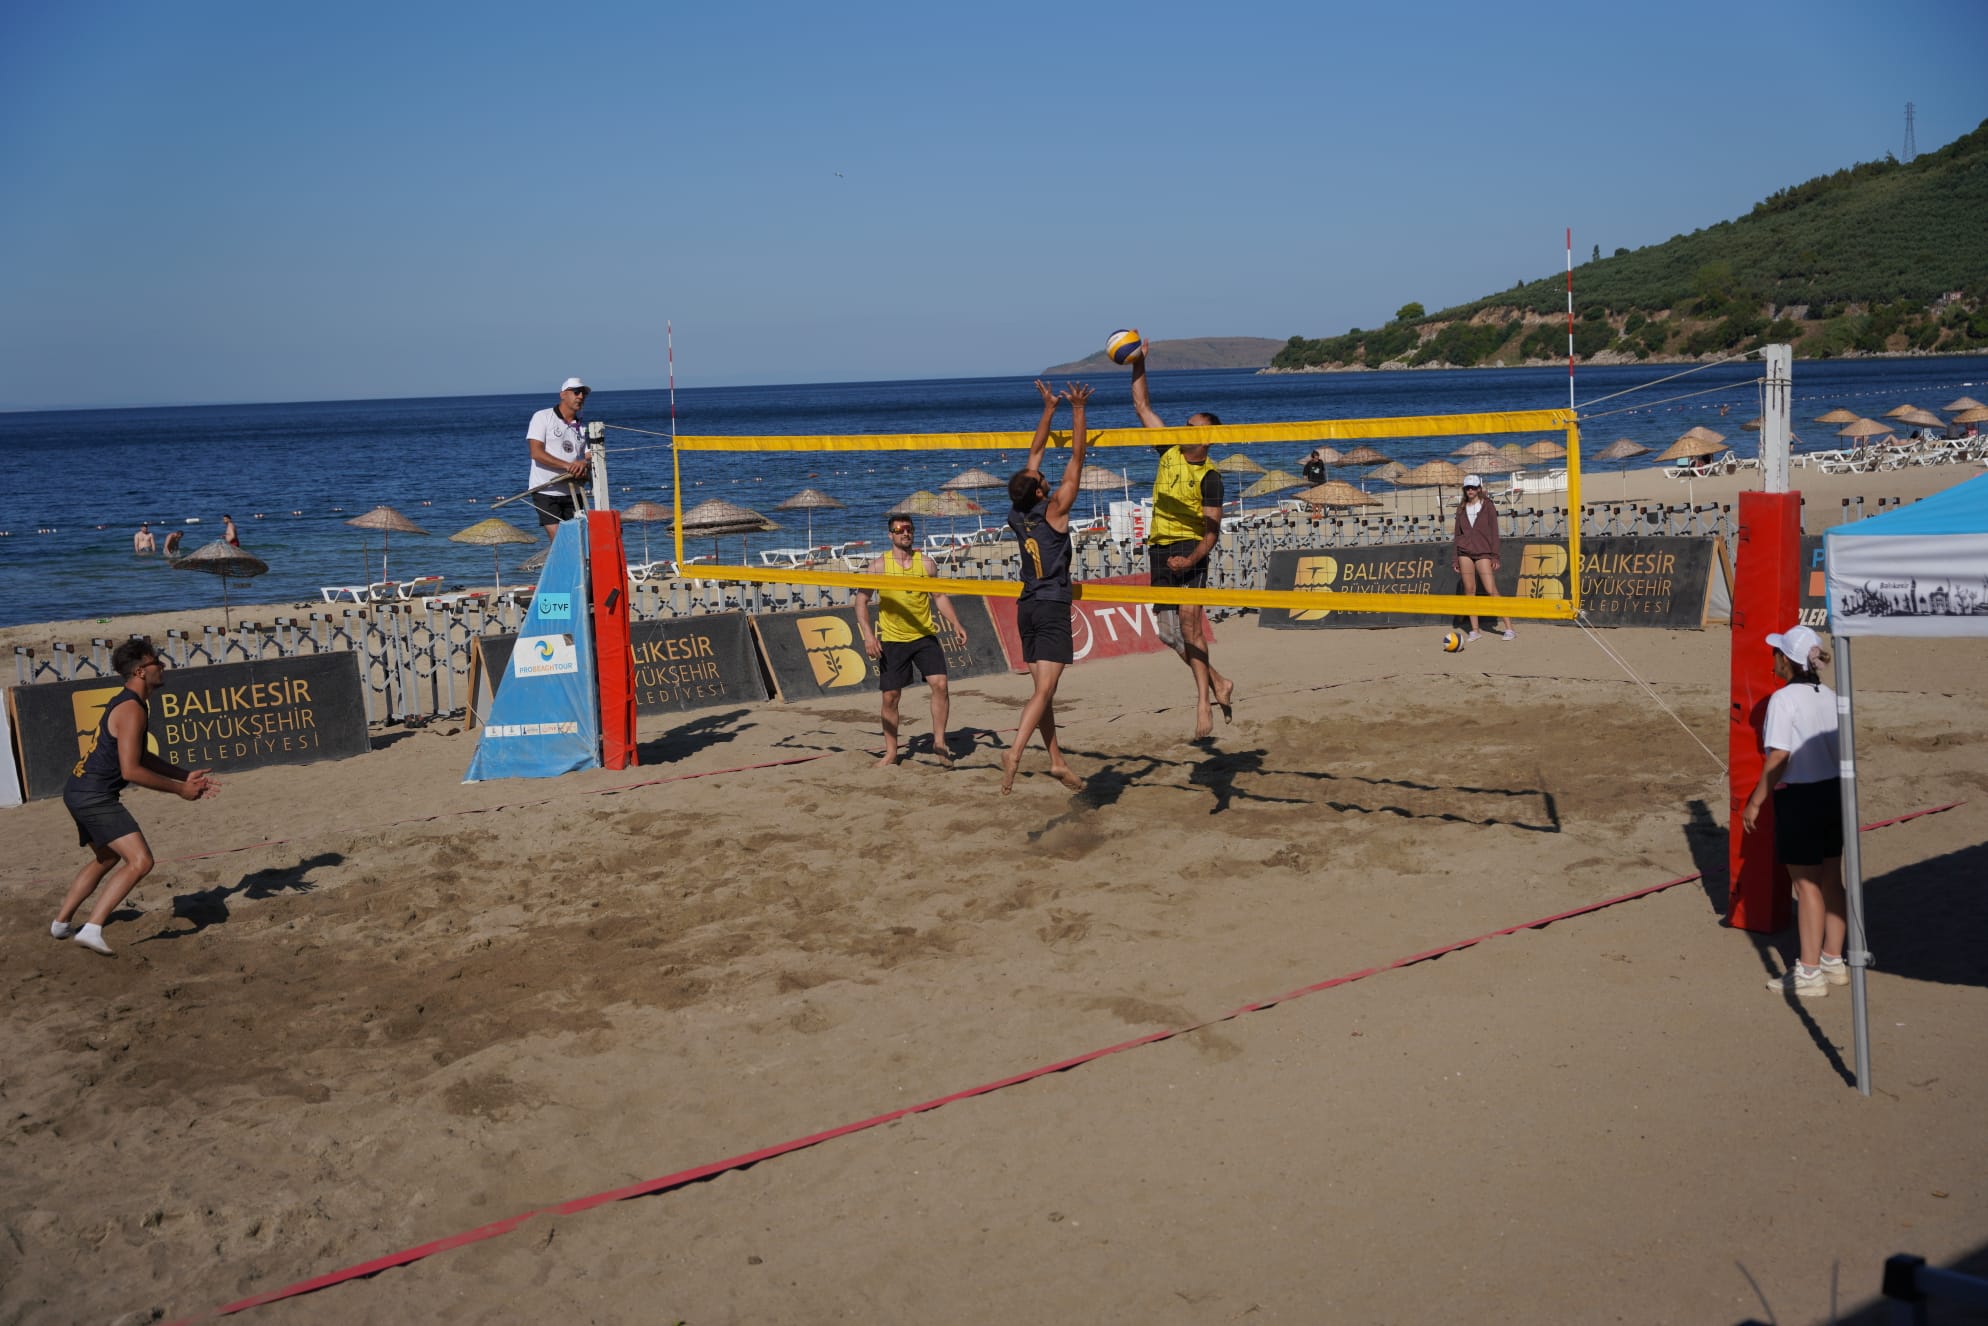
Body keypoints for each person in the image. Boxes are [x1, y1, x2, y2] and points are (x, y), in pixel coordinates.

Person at [54, 638, 219, 957]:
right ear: (142, 671)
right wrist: (180, 790)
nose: (163, 665)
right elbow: (131, 771)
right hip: (94, 796)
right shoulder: (131, 709)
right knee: (141, 861)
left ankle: (61, 923)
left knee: (107, 858)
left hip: (77, 790)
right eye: (157, 661)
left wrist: (184, 775)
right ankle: (92, 928)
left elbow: (141, 756)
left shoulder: (132, 703)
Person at [1129, 342, 1235, 738]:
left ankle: (1202, 704)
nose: (1184, 429)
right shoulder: (1169, 450)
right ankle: (1220, 682)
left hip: (1191, 551)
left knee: (1191, 631)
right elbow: (1141, 404)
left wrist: (1191, 561)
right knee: (1167, 634)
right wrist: (1139, 361)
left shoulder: (1211, 476)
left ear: (1206, 437)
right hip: (1160, 547)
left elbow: (1212, 532)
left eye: (1191, 427)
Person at [1741, 625, 1847, 999]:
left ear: (1786, 659)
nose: (1774, 657)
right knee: (1832, 879)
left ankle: (1809, 971)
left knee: (1807, 886)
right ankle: (1833, 959)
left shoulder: (1784, 700)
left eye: (1777, 652)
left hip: (1801, 797)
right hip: (1833, 793)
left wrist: (1756, 799)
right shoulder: (1831, 695)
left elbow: (1780, 756)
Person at [1000, 380, 1092, 794]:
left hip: (1027, 606)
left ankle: (1056, 760)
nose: (1044, 473)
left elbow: (1034, 453)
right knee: (1046, 691)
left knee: (1043, 692)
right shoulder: (1055, 510)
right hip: (1052, 603)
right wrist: (1076, 409)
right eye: (1041, 478)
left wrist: (1048, 408)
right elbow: (1077, 457)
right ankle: (1015, 751)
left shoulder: (1017, 514)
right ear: (1039, 490)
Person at [853, 512, 969, 769]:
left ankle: (939, 742)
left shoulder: (926, 564)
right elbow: (861, 601)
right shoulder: (879, 566)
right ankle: (891, 753)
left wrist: (956, 624)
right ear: (890, 535)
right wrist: (868, 636)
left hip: (924, 635)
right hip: (893, 640)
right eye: (899, 530)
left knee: (940, 684)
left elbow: (939, 597)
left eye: (909, 529)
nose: (905, 533)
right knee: (890, 697)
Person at [526, 377, 593, 536]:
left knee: (578, 540)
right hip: (546, 490)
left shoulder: (582, 427)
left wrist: (584, 462)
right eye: (576, 392)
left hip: (574, 491)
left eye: (583, 393)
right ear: (563, 394)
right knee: (560, 541)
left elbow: (591, 455)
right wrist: (568, 466)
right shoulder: (542, 417)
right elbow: (536, 452)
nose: (581, 397)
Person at [1452, 475, 1514, 642]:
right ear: (1464, 490)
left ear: (1479, 488)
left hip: (1483, 553)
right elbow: (1457, 535)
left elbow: (1494, 532)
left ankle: (1509, 627)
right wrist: (1455, 558)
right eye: (1467, 488)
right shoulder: (1461, 508)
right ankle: (1475, 630)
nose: (1470, 490)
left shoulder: (1487, 506)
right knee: (1469, 591)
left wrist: (1495, 555)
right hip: (1464, 552)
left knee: (1491, 589)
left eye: (1473, 487)